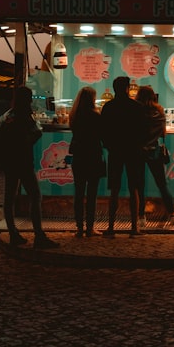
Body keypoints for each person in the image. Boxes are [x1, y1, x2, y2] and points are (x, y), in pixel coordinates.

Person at [0, 86, 59, 250]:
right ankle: (39, 235)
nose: (32, 100)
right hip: (23, 161)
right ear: (27, 99)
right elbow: (30, 136)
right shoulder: (25, 116)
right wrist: (36, 135)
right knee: (35, 195)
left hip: (9, 161)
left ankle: (13, 233)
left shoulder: (9, 114)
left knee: (9, 197)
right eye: (30, 97)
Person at [100, 76, 148, 236]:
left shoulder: (108, 107)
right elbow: (143, 131)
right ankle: (134, 228)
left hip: (115, 151)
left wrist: (110, 145)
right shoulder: (137, 107)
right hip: (133, 151)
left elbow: (104, 132)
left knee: (114, 189)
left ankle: (111, 228)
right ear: (127, 88)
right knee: (133, 188)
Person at [136, 85, 174, 224]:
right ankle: (173, 215)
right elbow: (163, 132)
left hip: (138, 151)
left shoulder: (136, 111)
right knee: (162, 184)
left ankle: (140, 218)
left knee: (139, 185)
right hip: (154, 150)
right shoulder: (159, 111)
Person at [69, 87, 105, 237]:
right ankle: (90, 228)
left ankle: (79, 227)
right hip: (93, 156)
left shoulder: (74, 115)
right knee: (91, 194)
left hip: (78, 155)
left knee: (79, 193)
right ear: (92, 99)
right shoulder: (95, 116)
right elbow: (102, 134)